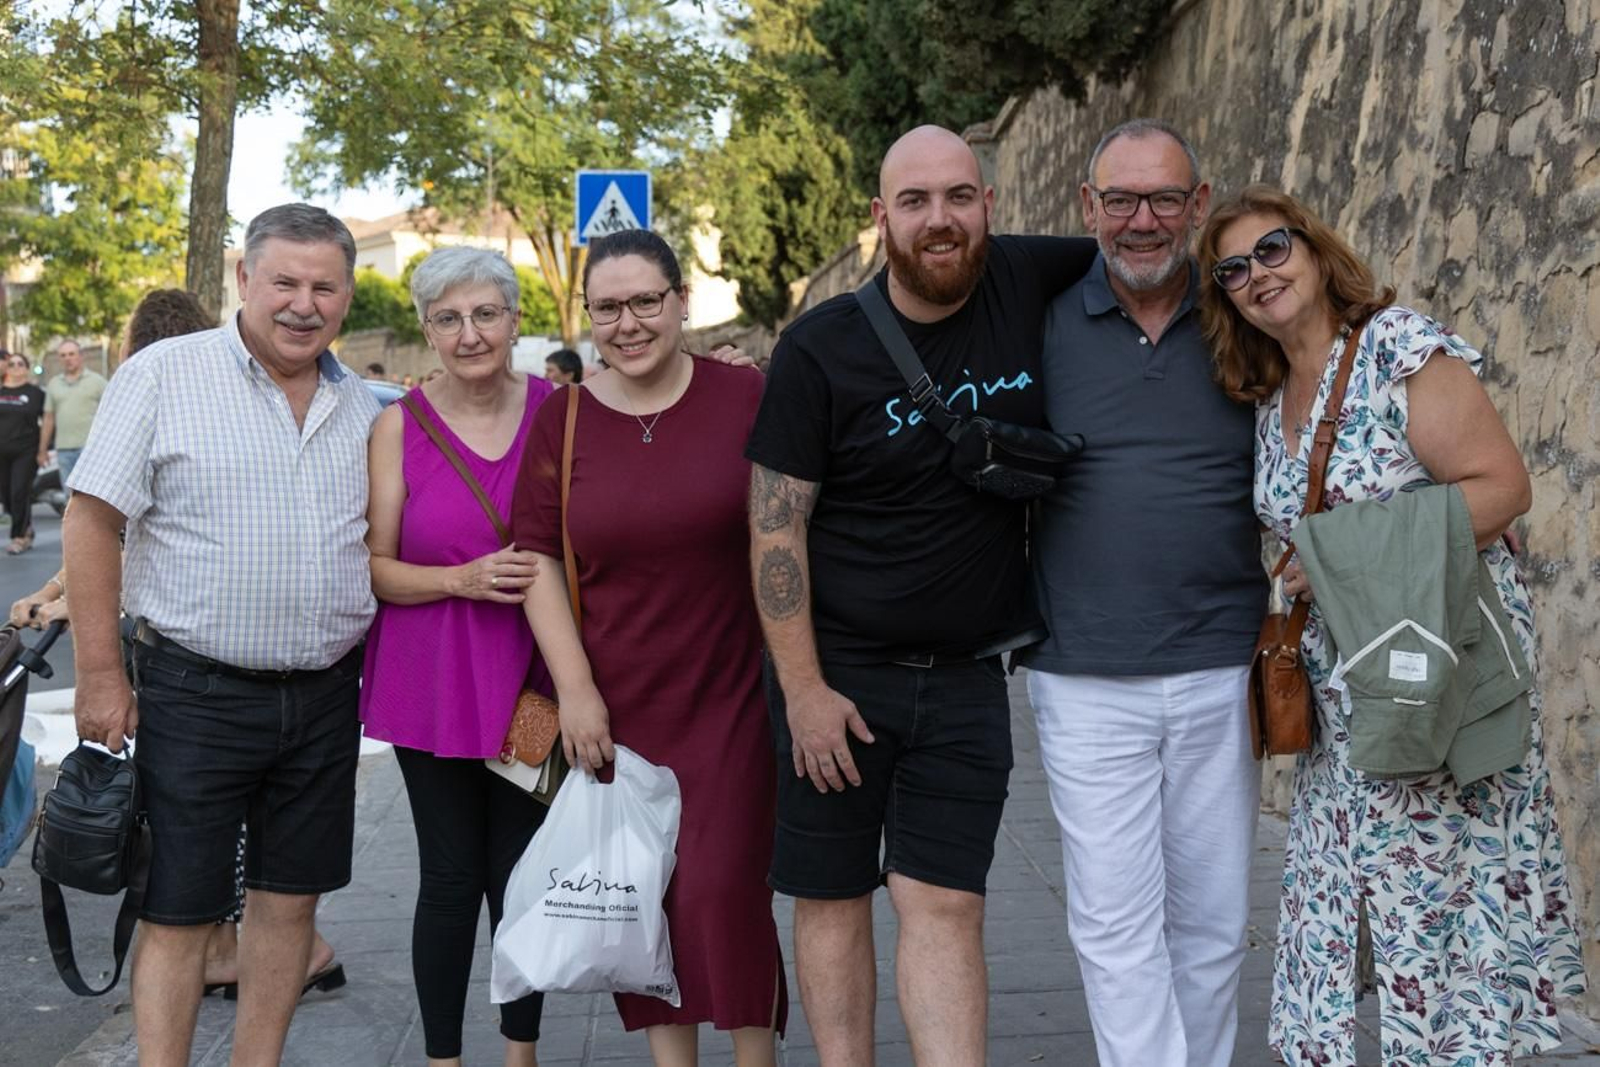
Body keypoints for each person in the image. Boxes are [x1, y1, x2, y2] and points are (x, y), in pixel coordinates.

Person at [1197, 184, 1587, 1066]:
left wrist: (1339, 551)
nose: (1257, 275)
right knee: (1343, 901)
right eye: (1232, 269)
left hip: (1433, 677)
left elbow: (1501, 488)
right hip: (1348, 701)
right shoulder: (1267, 402)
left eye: (1271, 249)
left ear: (1313, 246)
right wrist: (1311, 563)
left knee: (1439, 909)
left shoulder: (1396, 349)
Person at [745, 125, 1096, 1066]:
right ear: (879, 219)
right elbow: (775, 528)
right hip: (838, 677)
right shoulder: (818, 348)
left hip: (968, 678)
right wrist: (806, 690)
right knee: (832, 896)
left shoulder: (1030, 279)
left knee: (945, 898)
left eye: (957, 196)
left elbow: (1155, 259)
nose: (938, 219)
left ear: (989, 203)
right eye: (914, 201)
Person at [63, 203, 380, 1066]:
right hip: (191, 691)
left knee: (289, 903)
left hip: (322, 696)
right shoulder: (165, 374)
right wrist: (99, 673)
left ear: (347, 296)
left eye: (323, 286)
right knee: (179, 910)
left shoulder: (370, 408)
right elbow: (92, 521)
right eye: (284, 281)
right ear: (244, 279)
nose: (302, 304)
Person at [1015, 120, 1265, 1067]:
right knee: (1115, 924)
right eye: (1120, 199)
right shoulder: (1036, 316)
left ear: (1200, 207)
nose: (1143, 219)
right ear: (1088, 209)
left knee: (1211, 923)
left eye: (1166, 198)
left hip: (1223, 665)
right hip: (1083, 673)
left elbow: (1346, 387)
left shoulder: (1249, 311)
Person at [512, 229, 782, 1066]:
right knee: (645, 897)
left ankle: (754, 1055)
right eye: (607, 307)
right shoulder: (563, 419)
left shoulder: (747, 396)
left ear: (680, 303)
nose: (627, 323)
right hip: (616, 702)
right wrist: (576, 690)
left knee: (724, 889)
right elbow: (537, 561)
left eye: (644, 302)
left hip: (731, 691)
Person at [361, 246, 553, 1067]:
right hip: (430, 680)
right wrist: (462, 578)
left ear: (515, 319)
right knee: (448, 876)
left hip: (534, 681)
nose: (469, 333)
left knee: (521, 872)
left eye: (485, 314)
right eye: (448, 318)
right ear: (426, 330)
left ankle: (521, 1053)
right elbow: (376, 568)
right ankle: (443, 1059)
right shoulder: (397, 425)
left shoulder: (562, 410)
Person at [40, 337, 108, 490]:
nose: (67, 359)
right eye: (63, 355)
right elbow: (48, 418)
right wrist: (42, 450)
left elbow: (112, 413)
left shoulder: (97, 381)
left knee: (91, 495)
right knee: (69, 497)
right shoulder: (54, 383)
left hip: (90, 449)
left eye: (71, 354)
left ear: (80, 355)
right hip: (63, 449)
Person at [0, 350, 45, 555]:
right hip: (2, 452)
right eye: (12, 364)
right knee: (6, 495)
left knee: (19, 492)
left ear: (27, 369)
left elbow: (47, 422)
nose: (16, 367)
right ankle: (26, 527)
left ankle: (19, 537)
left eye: (20, 364)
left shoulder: (36, 393)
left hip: (25, 452)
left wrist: (44, 449)